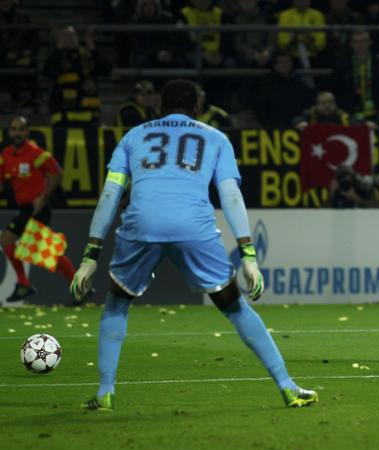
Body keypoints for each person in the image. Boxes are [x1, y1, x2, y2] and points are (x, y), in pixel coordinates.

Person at [70, 80, 317, 411]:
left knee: (116, 304)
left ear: (160, 106)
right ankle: (287, 386)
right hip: (193, 227)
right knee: (234, 306)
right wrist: (248, 255)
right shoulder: (216, 138)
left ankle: (104, 393)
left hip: (142, 225)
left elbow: (111, 194)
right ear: (198, 108)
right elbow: (230, 195)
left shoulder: (133, 137)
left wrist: (90, 255)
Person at [0, 116, 78, 302]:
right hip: (25, 209)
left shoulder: (36, 153)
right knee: (42, 250)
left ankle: (24, 283)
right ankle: (77, 284)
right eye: (13, 129)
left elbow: (57, 173)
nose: (16, 133)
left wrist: (43, 197)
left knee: (11, 240)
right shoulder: (6, 156)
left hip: (38, 208)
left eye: (20, 129)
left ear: (27, 132)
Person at [42, 26, 112, 126]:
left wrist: (92, 47)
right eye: (66, 35)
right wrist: (58, 48)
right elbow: (47, 71)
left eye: (73, 35)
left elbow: (107, 70)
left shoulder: (87, 55)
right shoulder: (57, 56)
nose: (71, 38)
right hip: (63, 115)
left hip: (89, 114)